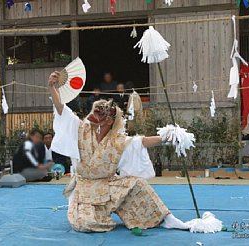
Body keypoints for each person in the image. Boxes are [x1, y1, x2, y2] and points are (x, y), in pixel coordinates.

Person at [49, 71, 190, 232]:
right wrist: (53, 87)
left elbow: (140, 142)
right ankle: (96, 216)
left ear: (109, 120)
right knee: (84, 224)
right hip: (85, 189)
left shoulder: (116, 140)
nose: (93, 114)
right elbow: (61, 109)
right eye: (95, 110)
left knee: (138, 183)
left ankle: (167, 219)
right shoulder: (80, 128)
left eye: (99, 112)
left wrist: (168, 136)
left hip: (107, 185)